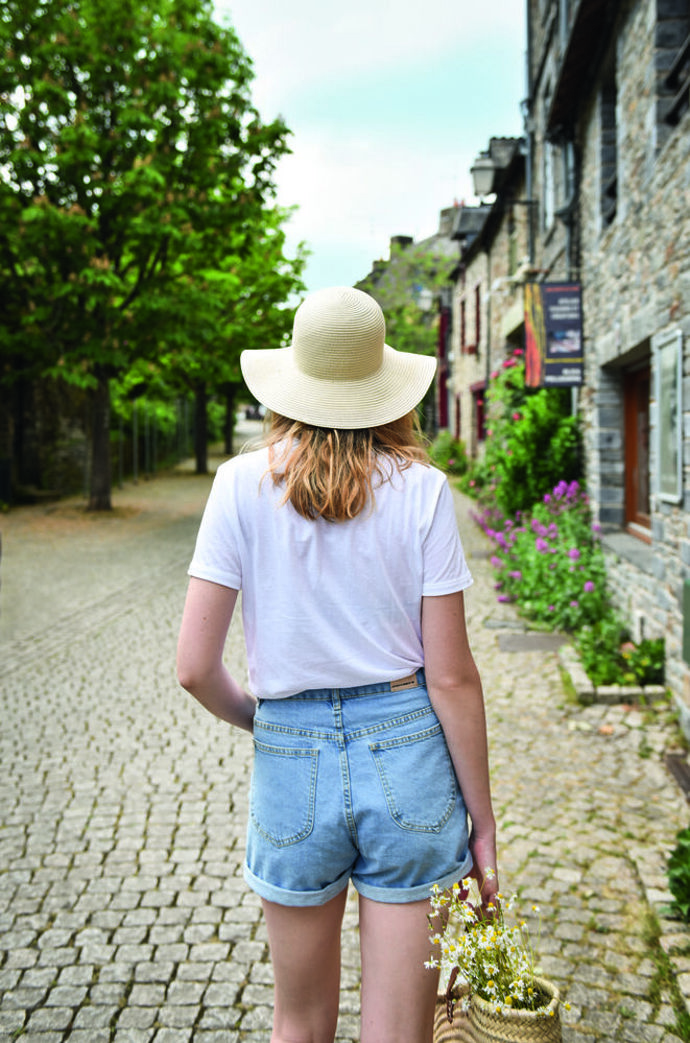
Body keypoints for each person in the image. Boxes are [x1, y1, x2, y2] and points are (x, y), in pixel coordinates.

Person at [176, 286, 498, 1043]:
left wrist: (273, 719)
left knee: (300, 1022)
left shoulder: (237, 486)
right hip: (408, 753)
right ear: (385, 386)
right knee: (400, 1033)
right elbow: (451, 676)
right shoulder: (422, 491)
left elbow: (194, 666)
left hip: (291, 755)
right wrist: (482, 823)